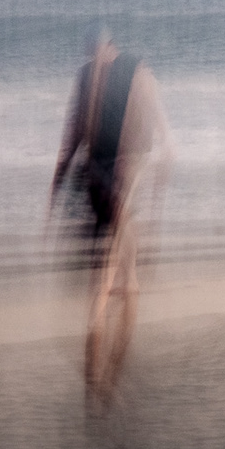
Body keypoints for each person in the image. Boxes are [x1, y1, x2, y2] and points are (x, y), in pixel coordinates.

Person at [50, 22, 171, 399]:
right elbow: (75, 130)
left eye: (95, 49)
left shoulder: (131, 69)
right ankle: (105, 371)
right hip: (109, 174)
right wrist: (58, 180)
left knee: (115, 270)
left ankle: (104, 372)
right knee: (118, 270)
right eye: (90, 52)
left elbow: (154, 125)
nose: (92, 58)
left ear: (107, 46)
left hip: (119, 171)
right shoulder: (98, 73)